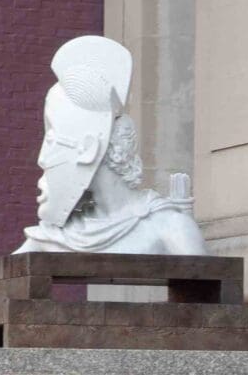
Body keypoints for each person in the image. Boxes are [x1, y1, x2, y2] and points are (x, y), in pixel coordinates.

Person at [16, 36, 207, 254]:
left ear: (89, 149)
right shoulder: (56, 237)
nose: (42, 157)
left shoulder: (169, 226)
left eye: (52, 141)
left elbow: (202, 274)